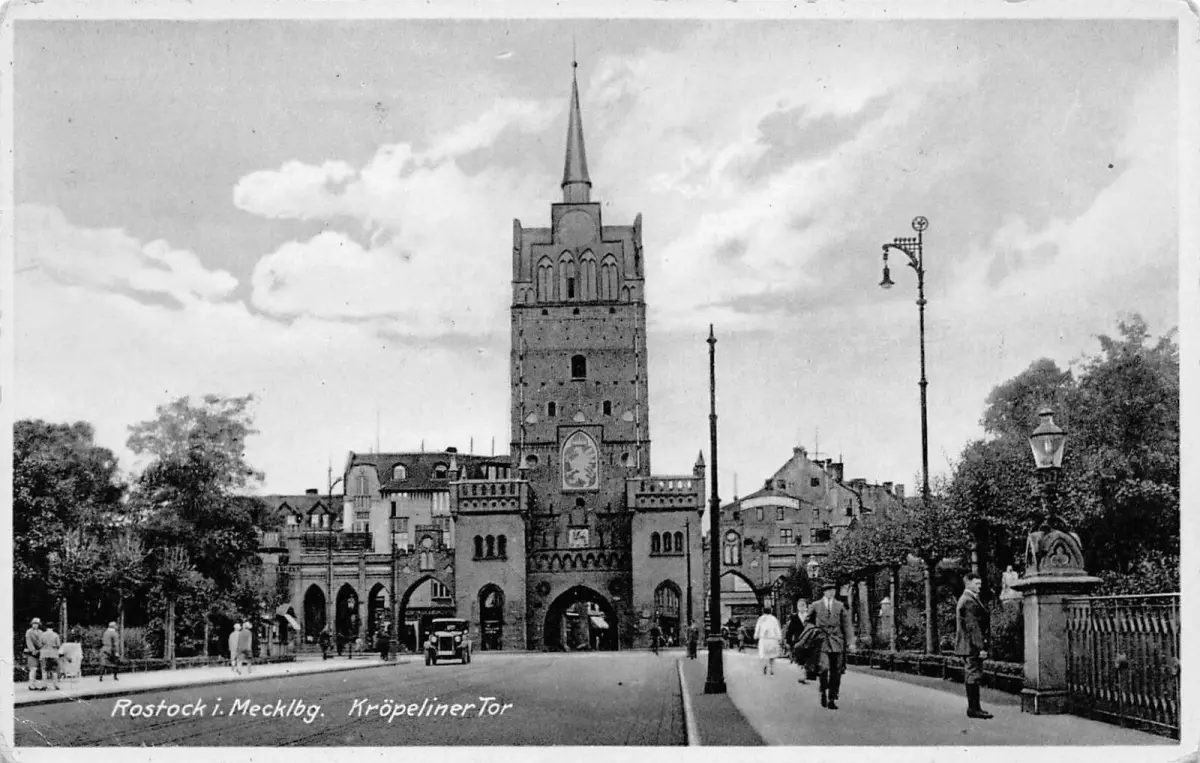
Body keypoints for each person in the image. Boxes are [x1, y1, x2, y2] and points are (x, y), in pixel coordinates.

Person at [806, 581, 854, 710]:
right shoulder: (816, 605)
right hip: (822, 641)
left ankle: (832, 698)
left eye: (833, 590)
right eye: (828, 590)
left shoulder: (840, 606)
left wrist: (850, 642)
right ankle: (823, 690)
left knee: (836, 671)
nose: (831, 592)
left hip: (837, 641)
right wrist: (813, 633)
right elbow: (808, 621)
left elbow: (847, 625)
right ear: (824, 592)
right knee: (824, 668)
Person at [956, 572, 994, 719]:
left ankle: (974, 708)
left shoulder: (968, 599)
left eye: (980, 583)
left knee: (972, 675)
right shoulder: (968, 601)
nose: (980, 586)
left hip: (968, 645)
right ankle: (974, 709)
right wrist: (981, 647)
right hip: (971, 646)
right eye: (977, 583)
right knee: (973, 675)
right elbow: (973, 627)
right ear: (968, 583)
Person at [754, 607, 783, 676]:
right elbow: (777, 628)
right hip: (772, 639)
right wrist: (779, 637)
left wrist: (756, 635)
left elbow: (757, 628)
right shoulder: (774, 619)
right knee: (772, 655)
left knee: (764, 655)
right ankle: (771, 668)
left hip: (763, 639)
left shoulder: (761, 619)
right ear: (771, 611)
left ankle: (765, 665)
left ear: (763, 611)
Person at [39, 623, 63, 691]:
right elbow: (59, 645)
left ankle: (44, 686)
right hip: (53, 654)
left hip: (44, 654)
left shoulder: (42, 635)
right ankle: (55, 685)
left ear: (46, 627)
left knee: (44, 670)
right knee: (54, 670)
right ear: (53, 628)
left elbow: (39, 645)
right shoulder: (56, 635)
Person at [24, 618, 44, 691]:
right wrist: (33, 650)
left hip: (40, 652)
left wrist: (41, 649)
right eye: (34, 623)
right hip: (31, 652)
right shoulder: (29, 631)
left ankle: (35, 685)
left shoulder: (41, 632)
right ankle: (31, 685)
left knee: (40, 669)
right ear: (32, 624)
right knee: (33, 669)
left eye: (37, 624)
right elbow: (28, 642)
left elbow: (42, 642)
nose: (35, 625)